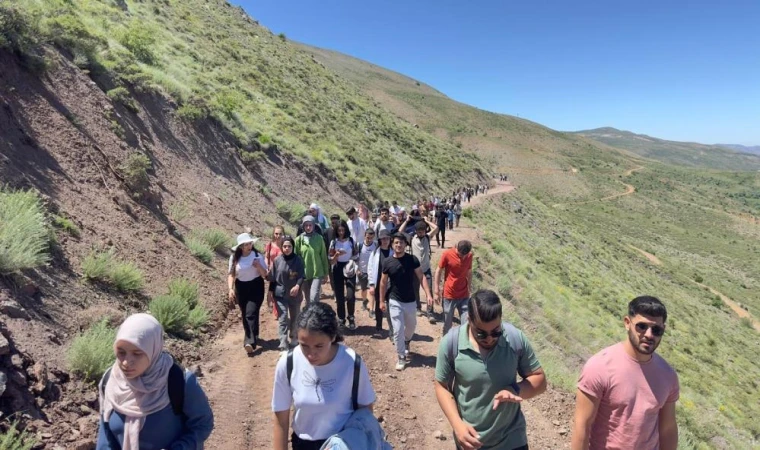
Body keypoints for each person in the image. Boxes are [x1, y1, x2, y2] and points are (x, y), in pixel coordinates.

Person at [434, 290, 546, 450]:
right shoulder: (452, 343)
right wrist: (457, 425)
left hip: (512, 440)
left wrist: (515, 390)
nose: (490, 338)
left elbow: (540, 380)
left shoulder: (514, 339)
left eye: (496, 332)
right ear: (469, 320)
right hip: (472, 442)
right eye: (481, 333)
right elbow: (441, 386)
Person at [571, 296, 679, 450]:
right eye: (641, 326)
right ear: (627, 323)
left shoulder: (668, 375)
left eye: (656, 330)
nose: (649, 335)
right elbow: (582, 425)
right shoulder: (600, 367)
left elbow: (667, 429)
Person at [96, 313, 214, 449]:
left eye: (137, 353)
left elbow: (203, 424)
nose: (126, 362)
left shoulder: (178, 381)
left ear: (153, 349)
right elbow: (105, 437)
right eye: (121, 352)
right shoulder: (110, 382)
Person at [272, 302, 376, 450]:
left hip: (343, 443)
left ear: (333, 337)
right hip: (303, 445)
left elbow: (365, 412)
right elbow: (280, 420)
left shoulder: (352, 363)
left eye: (319, 346)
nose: (310, 354)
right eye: (304, 345)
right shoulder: (288, 363)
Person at [379, 233, 433, 371]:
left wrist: (428, 294)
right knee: (397, 330)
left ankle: (407, 341)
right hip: (394, 300)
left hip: (410, 300)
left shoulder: (412, 260)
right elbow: (383, 282)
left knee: (411, 327)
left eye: (401, 243)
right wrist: (381, 301)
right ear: (392, 244)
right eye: (396, 242)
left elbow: (421, 277)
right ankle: (401, 356)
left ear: (405, 245)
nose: (399, 245)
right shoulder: (387, 262)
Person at [228, 233, 268, 354]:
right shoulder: (234, 258)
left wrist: (258, 266)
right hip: (241, 287)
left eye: (250, 243)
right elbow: (231, 274)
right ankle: (253, 335)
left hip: (256, 286)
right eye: (246, 244)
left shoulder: (257, 256)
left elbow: (265, 274)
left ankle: (249, 341)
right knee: (246, 312)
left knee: (251, 312)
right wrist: (230, 289)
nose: (249, 246)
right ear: (241, 246)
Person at [399, 216, 438, 323]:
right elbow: (400, 231)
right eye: (419, 232)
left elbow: (436, 228)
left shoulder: (428, 237)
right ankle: (418, 308)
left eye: (423, 231)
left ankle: (430, 312)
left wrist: (426, 221)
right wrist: (406, 221)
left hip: (426, 269)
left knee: (429, 290)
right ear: (415, 231)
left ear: (425, 231)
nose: (421, 234)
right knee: (415, 289)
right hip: (414, 270)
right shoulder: (411, 238)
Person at [271, 236, 305, 352]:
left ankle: (294, 337)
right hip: (280, 294)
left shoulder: (298, 260)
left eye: (289, 246)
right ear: (281, 247)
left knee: (295, 316)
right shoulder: (277, 261)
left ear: (293, 247)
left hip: (295, 294)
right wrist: (270, 293)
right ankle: (283, 343)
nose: (287, 248)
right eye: (284, 246)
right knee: (283, 317)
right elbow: (272, 278)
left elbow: (301, 276)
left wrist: (297, 286)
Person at [435, 240, 473, 335]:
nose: (463, 257)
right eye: (460, 255)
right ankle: (446, 341)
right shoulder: (447, 254)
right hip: (449, 294)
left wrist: (469, 286)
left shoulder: (469, 255)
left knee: (467, 322)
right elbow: (438, 270)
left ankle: (464, 342)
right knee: (447, 323)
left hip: (464, 294)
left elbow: (469, 271)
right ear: (456, 248)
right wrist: (436, 290)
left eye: (465, 255)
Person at [329, 220, 358, 330]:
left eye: (343, 230)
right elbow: (330, 260)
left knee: (350, 295)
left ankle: (351, 317)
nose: (341, 232)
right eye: (339, 230)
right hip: (337, 268)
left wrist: (350, 259)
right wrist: (336, 255)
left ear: (346, 230)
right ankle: (341, 319)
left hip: (349, 267)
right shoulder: (333, 242)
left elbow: (356, 255)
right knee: (339, 296)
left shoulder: (351, 241)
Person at [294, 216, 330, 305]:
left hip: (317, 273)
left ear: (314, 226)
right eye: (306, 225)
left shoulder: (319, 238)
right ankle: (310, 317)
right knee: (307, 299)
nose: (308, 227)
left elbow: (323, 257)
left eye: (310, 225)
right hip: (304, 274)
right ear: (303, 226)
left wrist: (326, 273)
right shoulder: (299, 240)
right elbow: (295, 257)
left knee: (314, 297)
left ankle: (316, 317)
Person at [367, 230, 393, 336]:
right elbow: (370, 269)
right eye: (383, 239)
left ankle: (392, 331)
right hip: (378, 283)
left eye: (387, 238)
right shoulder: (375, 253)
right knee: (379, 305)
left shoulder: (393, 252)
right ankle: (378, 328)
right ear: (380, 240)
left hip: (391, 284)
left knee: (391, 307)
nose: (385, 241)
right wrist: (371, 284)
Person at [355, 228, 378, 316]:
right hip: (362, 271)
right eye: (368, 237)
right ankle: (364, 301)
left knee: (372, 290)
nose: (369, 240)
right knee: (364, 289)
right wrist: (357, 269)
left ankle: (372, 310)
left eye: (371, 238)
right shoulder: (359, 245)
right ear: (365, 236)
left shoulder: (375, 245)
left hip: (372, 272)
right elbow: (356, 258)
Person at [265, 225, 285, 308]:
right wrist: (266, 267)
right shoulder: (269, 245)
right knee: (272, 290)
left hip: (283, 272)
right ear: (273, 234)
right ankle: (274, 307)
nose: (278, 236)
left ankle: (279, 309)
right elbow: (266, 257)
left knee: (280, 291)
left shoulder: (285, 245)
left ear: (283, 234)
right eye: (276, 233)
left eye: (280, 234)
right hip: (272, 272)